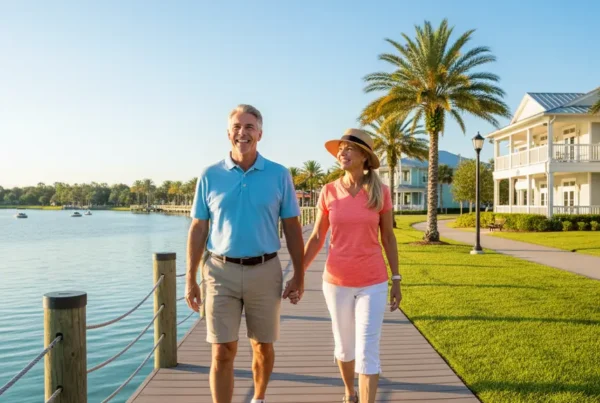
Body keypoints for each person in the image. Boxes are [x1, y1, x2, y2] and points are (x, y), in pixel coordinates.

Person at [185, 104, 305, 403]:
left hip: (265, 271)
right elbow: (199, 228)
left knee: (262, 346)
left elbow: (292, 227)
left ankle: (258, 398)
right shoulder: (210, 175)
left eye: (249, 127)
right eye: (237, 127)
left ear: (260, 134)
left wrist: (300, 275)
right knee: (222, 350)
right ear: (228, 134)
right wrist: (190, 278)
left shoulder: (279, 174)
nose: (243, 132)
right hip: (219, 272)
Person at [299, 128, 402, 403]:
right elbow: (318, 236)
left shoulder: (381, 191)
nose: (342, 153)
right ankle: (349, 392)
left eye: (349, 148)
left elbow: (388, 237)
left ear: (365, 157)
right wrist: (299, 274)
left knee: (368, 350)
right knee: (344, 348)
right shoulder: (329, 190)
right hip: (336, 282)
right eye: (340, 149)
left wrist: (397, 279)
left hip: (374, 282)